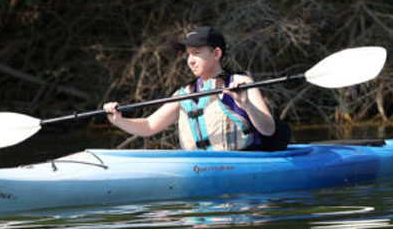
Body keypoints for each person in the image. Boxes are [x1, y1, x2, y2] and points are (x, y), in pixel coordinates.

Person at [103, 26, 277, 150]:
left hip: (243, 167)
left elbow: (269, 129)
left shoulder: (240, 83)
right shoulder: (184, 94)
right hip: (200, 169)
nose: (190, 60)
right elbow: (149, 126)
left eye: (196, 53)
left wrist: (247, 105)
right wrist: (118, 120)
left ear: (217, 54)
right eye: (188, 54)